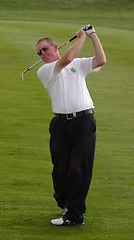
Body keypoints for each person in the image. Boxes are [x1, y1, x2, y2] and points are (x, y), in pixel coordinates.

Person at [36, 24, 106, 226]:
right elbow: (66, 60)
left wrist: (92, 35)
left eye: (45, 49)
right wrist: (81, 37)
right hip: (60, 124)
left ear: (55, 47)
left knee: (79, 168)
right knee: (60, 169)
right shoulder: (45, 70)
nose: (42, 54)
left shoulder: (78, 64)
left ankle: (75, 215)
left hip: (84, 122)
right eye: (39, 52)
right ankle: (63, 202)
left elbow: (101, 60)